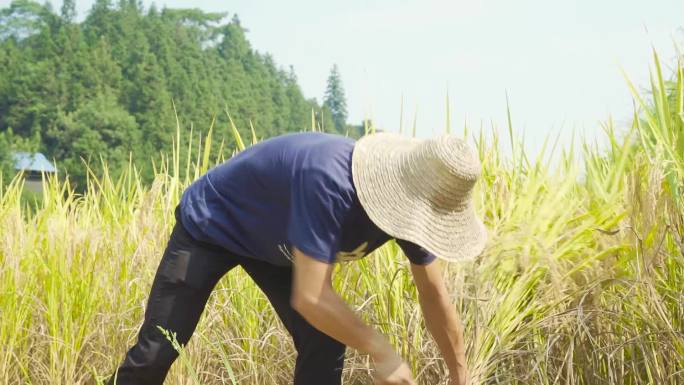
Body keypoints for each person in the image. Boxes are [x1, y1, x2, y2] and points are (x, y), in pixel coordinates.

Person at [107, 131, 487, 385]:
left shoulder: (413, 212)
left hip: (278, 245)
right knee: (159, 348)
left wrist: (460, 374)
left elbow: (434, 293)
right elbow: (311, 296)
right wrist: (380, 349)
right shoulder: (329, 182)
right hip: (213, 225)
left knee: (325, 339)